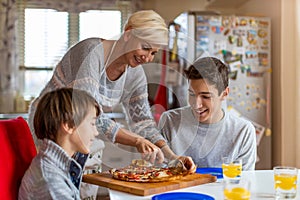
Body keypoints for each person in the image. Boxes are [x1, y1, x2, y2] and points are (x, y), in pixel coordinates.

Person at [28, 10, 195, 199]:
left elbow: (143, 121)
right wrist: (136, 140)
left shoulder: (135, 74)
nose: (148, 58)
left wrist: (172, 157)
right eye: (145, 48)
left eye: (153, 53)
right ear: (128, 34)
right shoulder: (91, 52)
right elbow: (86, 116)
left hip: (80, 135)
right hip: (49, 130)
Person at [158, 57, 256, 170]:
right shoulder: (170, 121)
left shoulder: (243, 131)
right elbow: (159, 175)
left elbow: (244, 182)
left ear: (224, 94)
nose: (196, 104)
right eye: (192, 94)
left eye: (206, 96)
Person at [19, 88, 101, 199]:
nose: (96, 132)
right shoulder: (51, 182)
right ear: (68, 125)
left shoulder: (53, 165)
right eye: (92, 123)